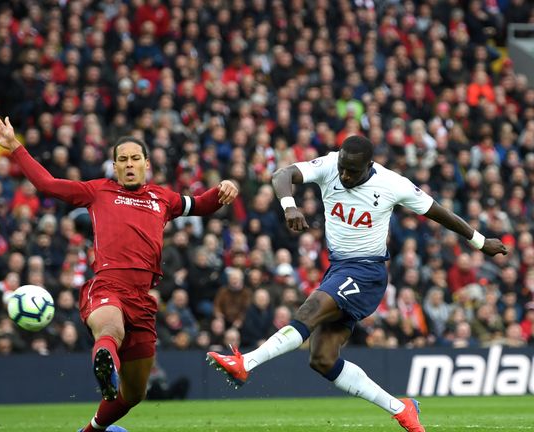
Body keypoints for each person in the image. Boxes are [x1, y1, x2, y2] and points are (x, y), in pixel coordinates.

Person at [206, 136, 507, 432]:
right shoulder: (328, 166)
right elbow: (281, 174)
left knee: (310, 310)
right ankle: (401, 409)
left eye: (353, 171)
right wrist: (289, 206)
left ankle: (246, 362)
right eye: (343, 168)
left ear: (369, 165)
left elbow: (440, 213)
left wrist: (481, 243)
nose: (346, 175)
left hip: (367, 272)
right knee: (322, 359)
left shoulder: (393, 184)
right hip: (338, 269)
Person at [0, 114, 238, 432]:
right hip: (107, 285)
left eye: (135, 158)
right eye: (122, 160)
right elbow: (48, 185)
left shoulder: (164, 199)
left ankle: (90, 429)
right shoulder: (97, 191)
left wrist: (224, 189)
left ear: (147, 163)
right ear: (114, 166)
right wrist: (15, 148)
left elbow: (201, 204)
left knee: (134, 394)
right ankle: (105, 363)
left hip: (143, 299)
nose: (129, 164)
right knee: (110, 332)